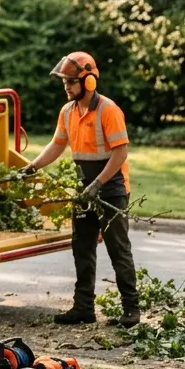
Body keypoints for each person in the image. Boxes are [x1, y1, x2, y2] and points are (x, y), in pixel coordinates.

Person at [19, 51, 140, 328]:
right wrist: (32, 166)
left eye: (71, 82)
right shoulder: (67, 112)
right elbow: (57, 145)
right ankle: (83, 307)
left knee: (118, 250)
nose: (66, 87)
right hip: (82, 189)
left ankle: (131, 311)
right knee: (82, 248)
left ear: (88, 82)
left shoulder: (109, 110)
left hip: (111, 190)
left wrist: (98, 184)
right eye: (64, 82)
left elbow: (120, 153)